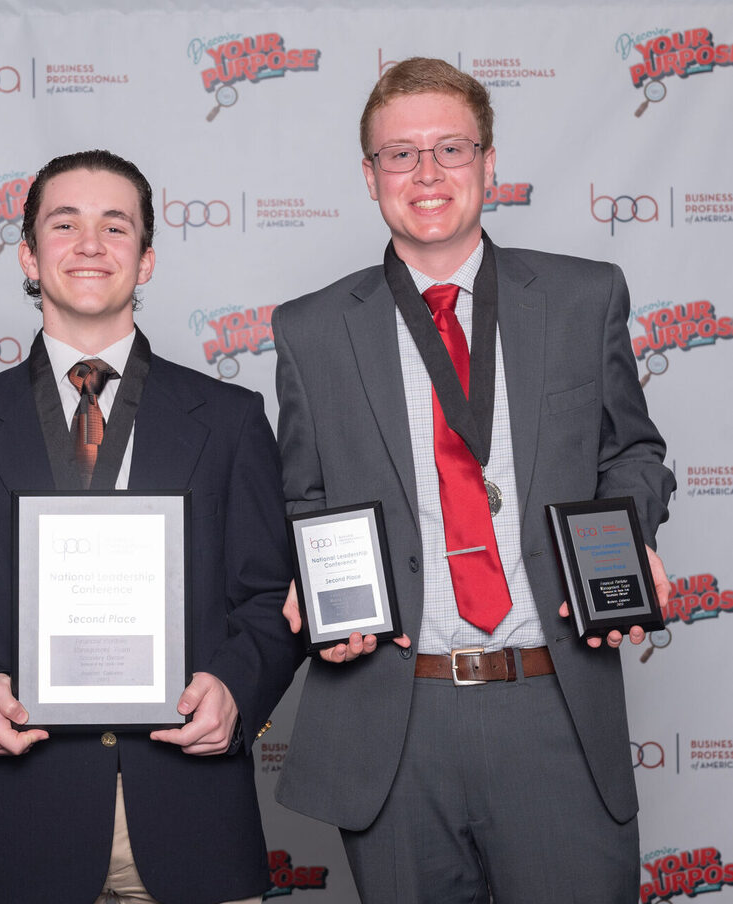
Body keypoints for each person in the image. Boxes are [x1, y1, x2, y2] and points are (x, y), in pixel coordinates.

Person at [271, 58, 675, 902]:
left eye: (449, 149)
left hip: (552, 705)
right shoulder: (310, 328)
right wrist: (310, 581)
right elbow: (305, 497)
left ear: (489, 163)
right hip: (395, 717)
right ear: (369, 175)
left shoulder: (581, 296)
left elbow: (634, 455)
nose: (425, 174)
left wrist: (627, 537)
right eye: (399, 154)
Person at [0, 149, 301, 904]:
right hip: (23, 824)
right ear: (27, 255)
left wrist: (236, 690)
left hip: (193, 817)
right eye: (64, 223)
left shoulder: (232, 420)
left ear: (145, 261)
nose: (89, 245)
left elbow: (273, 598)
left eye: (115, 226)